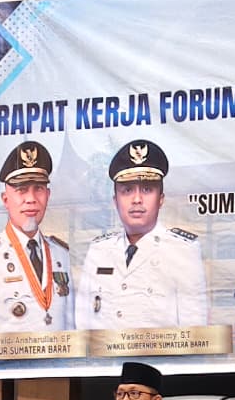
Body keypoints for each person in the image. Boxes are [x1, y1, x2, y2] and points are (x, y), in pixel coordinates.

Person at [77, 139, 208, 329]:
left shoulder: (182, 250)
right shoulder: (98, 251)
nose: (137, 199)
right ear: (115, 200)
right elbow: (83, 327)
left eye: (147, 189)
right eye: (127, 190)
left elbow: (195, 332)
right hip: (105, 350)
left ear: (160, 199)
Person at [0, 140, 74, 333]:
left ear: (48, 195)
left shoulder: (61, 254)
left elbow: (71, 330)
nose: (31, 199)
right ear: (5, 200)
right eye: (21, 190)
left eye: (38, 189)